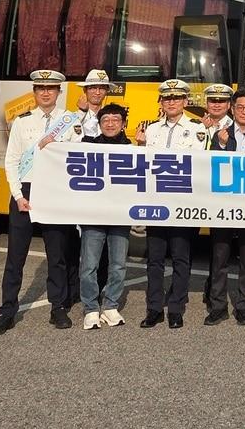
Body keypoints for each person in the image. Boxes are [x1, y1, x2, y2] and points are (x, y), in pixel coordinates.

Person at [0, 70, 83, 336]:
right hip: (26, 192)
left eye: (50, 88)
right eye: (40, 88)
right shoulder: (22, 121)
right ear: (34, 91)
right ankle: (7, 311)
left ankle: (58, 307)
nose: (45, 92)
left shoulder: (71, 122)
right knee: (15, 256)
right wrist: (18, 196)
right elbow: (12, 161)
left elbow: (77, 158)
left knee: (57, 255)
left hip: (56, 192)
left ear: (59, 92)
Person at [135, 79, 206, 329]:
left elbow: (196, 165)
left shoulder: (197, 129)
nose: (172, 102)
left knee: (180, 258)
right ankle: (154, 308)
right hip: (156, 203)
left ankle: (176, 307)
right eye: (167, 98)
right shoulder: (151, 130)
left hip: (181, 203)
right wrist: (141, 146)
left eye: (176, 98)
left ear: (185, 102)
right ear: (161, 102)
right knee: (154, 259)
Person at [204, 89, 245, 327]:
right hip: (223, 205)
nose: (244, 111)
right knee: (219, 257)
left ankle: (243, 305)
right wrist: (222, 146)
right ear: (232, 109)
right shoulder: (220, 135)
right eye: (240, 107)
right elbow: (212, 167)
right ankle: (218, 306)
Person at [78, 102, 133, 330]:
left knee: (118, 264)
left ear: (123, 124)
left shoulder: (134, 149)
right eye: (105, 120)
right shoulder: (87, 146)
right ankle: (90, 308)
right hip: (93, 215)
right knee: (89, 265)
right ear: (99, 124)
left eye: (115, 120)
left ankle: (110, 305)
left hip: (121, 216)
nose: (110, 123)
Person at [73, 68, 113, 303]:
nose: (97, 92)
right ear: (85, 91)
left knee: (105, 245)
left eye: (101, 88)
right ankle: (81, 291)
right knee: (84, 243)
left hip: (108, 191)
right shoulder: (74, 116)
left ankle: (102, 289)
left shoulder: (112, 116)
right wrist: (80, 112)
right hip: (84, 186)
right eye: (92, 88)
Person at [196, 82, 235, 317]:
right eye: (212, 101)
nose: (216, 105)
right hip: (201, 195)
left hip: (226, 198)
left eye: (221, 101)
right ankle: (211, 289)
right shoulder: (196, 126)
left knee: (221, 248)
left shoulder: (236, 127)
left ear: (229, 105)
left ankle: (216, 296)